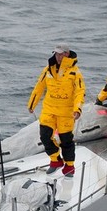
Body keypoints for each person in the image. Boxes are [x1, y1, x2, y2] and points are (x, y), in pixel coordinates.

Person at [27, 44, 86, 177]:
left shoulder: (75, 73)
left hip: (66, 112)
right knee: (45, 136)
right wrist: (32, 104)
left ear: (66, 54)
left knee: (66, 140)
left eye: (60, 54)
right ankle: (55, 160)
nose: (58, 57)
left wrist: (77, 109)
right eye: (56, 54)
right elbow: (39, 88)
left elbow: (80, 92)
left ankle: (69, 166)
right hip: (49, 109)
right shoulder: (48, 69)